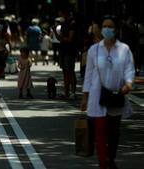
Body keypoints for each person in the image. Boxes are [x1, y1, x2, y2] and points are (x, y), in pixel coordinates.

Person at [80, 15, 135, 169]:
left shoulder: (124, 49)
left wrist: (128, 84)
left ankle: (111, 158)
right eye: (104, 26)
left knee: (114, 133)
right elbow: (89, 75)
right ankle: (103, 163)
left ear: (116, 30)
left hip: (116, 96)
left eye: (110, 26)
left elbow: (129, 69)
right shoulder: (94, 50)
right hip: (97, 96)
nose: (106, 29)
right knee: (99, 132)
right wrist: (85, 97)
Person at [53, 9, 78, 99]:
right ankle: (66, 92)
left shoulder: (72, 23)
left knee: (70, 71)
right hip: (63, 50)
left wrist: (63, 38)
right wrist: (55, 31)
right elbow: (60, 39)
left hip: (70, 50)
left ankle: (73, 92)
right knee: (64, 71)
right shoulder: (63, 24)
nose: (60, 16)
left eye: (61, 14)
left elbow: (70, 39)